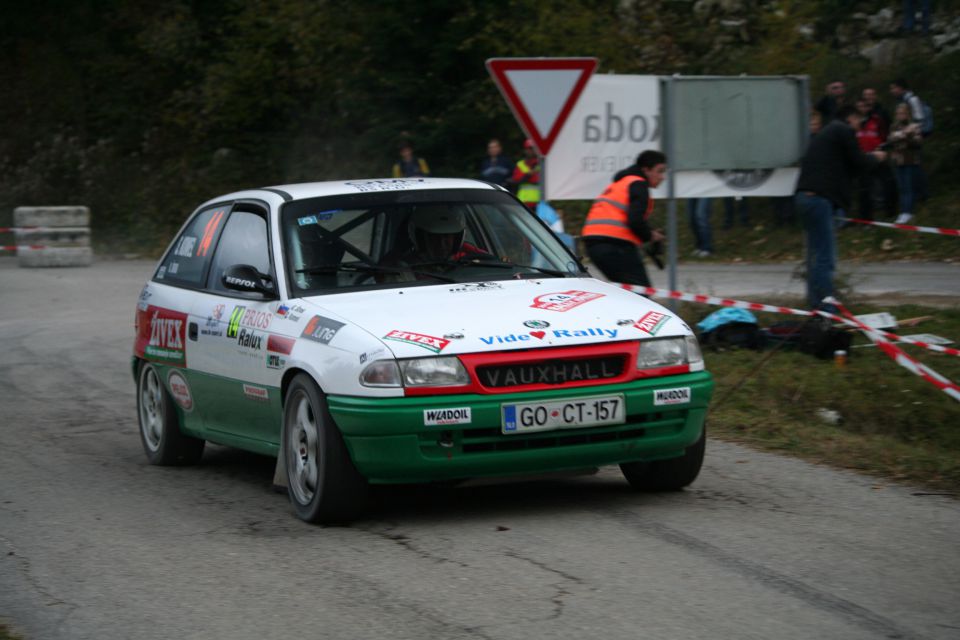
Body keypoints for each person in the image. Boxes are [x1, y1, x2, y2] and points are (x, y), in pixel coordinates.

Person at [794, 105, 886, 311]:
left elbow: (849, 166)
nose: (859, 127)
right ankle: (828, 309)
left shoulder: (828, 135)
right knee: (825, 258)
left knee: (815, 256)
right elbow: (859, 162)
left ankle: (816, 304)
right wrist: (876, 158)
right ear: (850, 118)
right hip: (819, 200)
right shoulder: (841, 130)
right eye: (859, 121)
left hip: (807, 198)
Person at [581, 150, 667, 288]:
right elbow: (635, 221)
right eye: (660, 171)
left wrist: (648, 233)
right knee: (641, 293)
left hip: (594, 245)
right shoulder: (639, 184)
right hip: (615, 246)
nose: (663, 177)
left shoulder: (621, 183)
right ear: (646, 170)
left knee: (627, 293)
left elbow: (623, 216)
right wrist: (650, 236)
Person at [379, 206, 487, 282]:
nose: (441, 244)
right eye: (434, 237)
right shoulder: (403, 271)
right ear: (420, 239)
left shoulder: (475, 261)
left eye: (447, 236)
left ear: (457, 238)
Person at [887, 103, 924, 225]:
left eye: (902, 113)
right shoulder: (894, 126)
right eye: (898, 113)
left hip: (911, 161)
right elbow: (891, 139)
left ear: (908, 114)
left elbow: (918, 142)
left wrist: (905, 136)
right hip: (898, 161)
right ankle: (903, 212)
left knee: (909, 187)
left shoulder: (914, 126)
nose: (900, 115)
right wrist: (904, 134)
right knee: (901, 187)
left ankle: (908, 212)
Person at [509, 139, 541, 210]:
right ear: (525, 150)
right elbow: (517, 180)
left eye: (532, 148)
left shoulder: (541, 164)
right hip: (523, 202)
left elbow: (539, 180)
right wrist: (528, 175)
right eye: (528, 148)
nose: (531, 151)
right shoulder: (520, 164)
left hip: (539, 203)